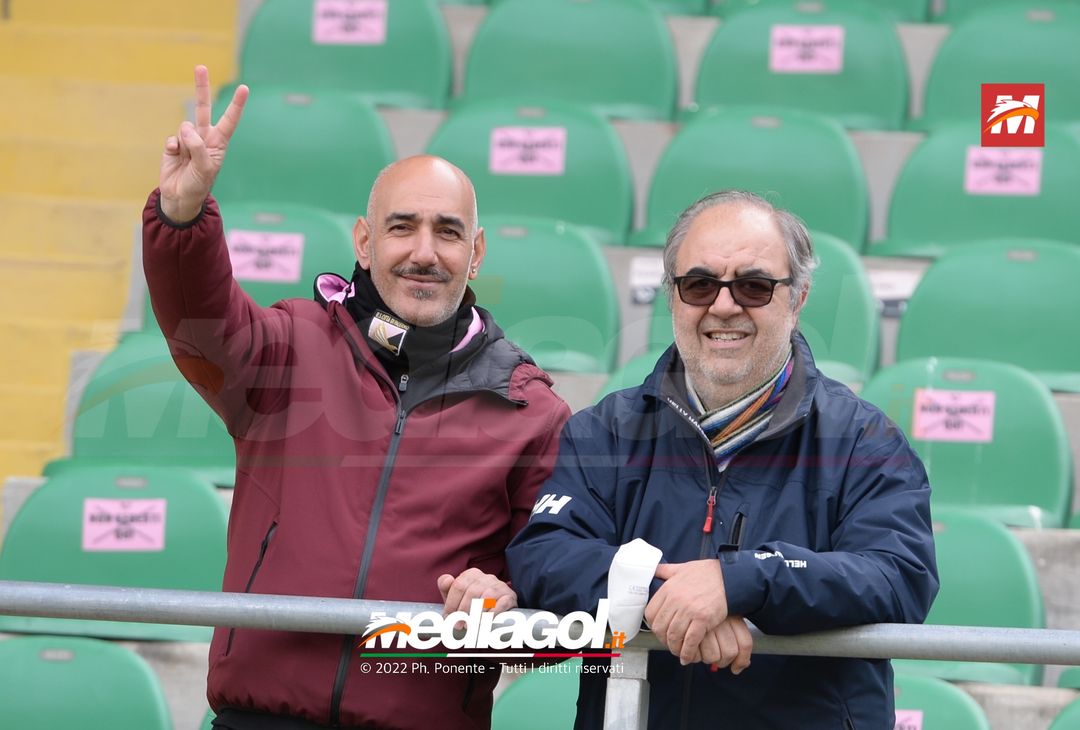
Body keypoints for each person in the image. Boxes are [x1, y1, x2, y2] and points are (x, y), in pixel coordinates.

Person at [143, 66, 570, 729]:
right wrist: (183, 212)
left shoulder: (531, 411)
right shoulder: (289, 350)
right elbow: (196, 320)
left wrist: (509, 596)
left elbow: (560, 582)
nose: (424, 252)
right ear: (365, 244)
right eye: (401, 228)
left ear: (477, 252)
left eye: (448, 232)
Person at [506, 191, 939, 729]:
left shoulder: (865, 439)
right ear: (672, 296)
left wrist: (743, 580)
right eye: (700, 284)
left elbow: (900, 575)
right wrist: (670, 599)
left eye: (754, 286)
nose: (724, 306)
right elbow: (543, 557)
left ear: (797, 298)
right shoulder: (605, 431)